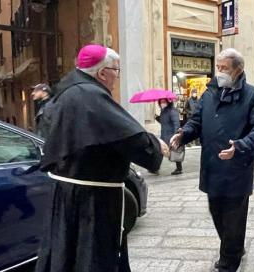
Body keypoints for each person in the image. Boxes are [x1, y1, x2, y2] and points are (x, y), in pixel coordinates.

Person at [35, 44, 169, 272]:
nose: (117, 77)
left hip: (66, 192)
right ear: (102, 73)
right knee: (93, 256)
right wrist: (156, 146)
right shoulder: (91, 96)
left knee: (67, 253)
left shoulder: (64, 93)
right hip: (92, 200)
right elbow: (128, 137)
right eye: (116, 70)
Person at [170, 48, 254, 272]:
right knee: (216, 213)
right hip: (212, 167)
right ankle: (234, 247)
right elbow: (196, 122)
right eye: (218, 68)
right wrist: (184, 134)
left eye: (224, 68)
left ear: (238, 70)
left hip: (237, 169)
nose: (219, 72)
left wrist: (241, 146)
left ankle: (228, 261)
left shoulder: (253, 96)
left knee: (233, 217)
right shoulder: (209, 94)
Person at [156, 98, 183, 175]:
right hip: (164, 135)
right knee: (160, 150)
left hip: (171, 135)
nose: (162, 103)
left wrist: (176, 135)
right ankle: (155, 167)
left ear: (168, 102)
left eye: (164, 102)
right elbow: (164, 122)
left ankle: (179, 168)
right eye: (161, 102)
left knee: (175, 151)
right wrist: (157, 118)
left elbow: (176, 124)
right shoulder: (163, 111)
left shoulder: (173, 111)